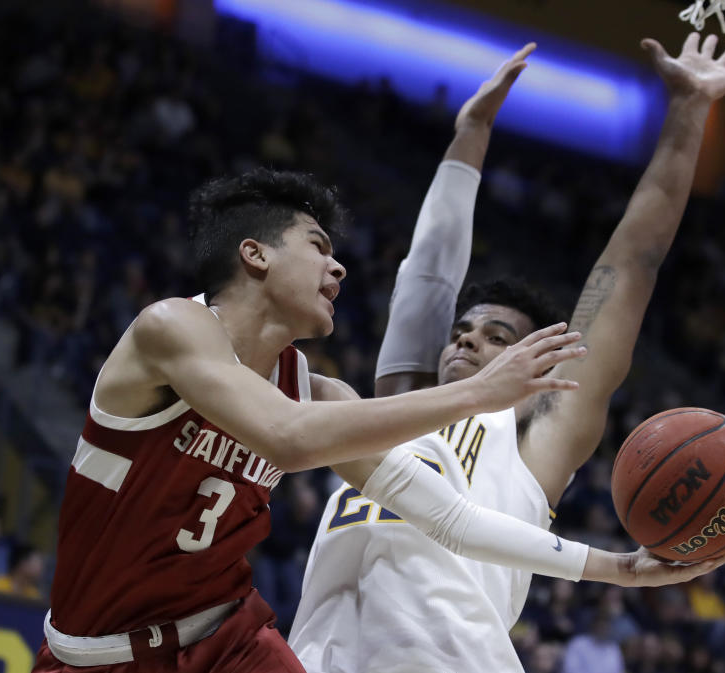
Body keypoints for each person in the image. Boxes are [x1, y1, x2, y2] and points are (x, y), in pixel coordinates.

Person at [290, 33, 725, 673]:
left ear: (541, 373)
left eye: (498, 338)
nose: (467, 339)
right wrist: (470, 133)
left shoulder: (535, 434)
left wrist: (688, 112)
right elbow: (427, 273)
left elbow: (632, 262)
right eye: (464, 331)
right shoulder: (399, 407)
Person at [32, 166, 587, 672]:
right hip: (93, 652)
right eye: (318, 247)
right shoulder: (170, 326)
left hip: (228, 638)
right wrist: (478, 392)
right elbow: (286, 438)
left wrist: (617, 567)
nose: (338, 265)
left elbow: (453, 520)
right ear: (256, 254)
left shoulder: (317, 391)